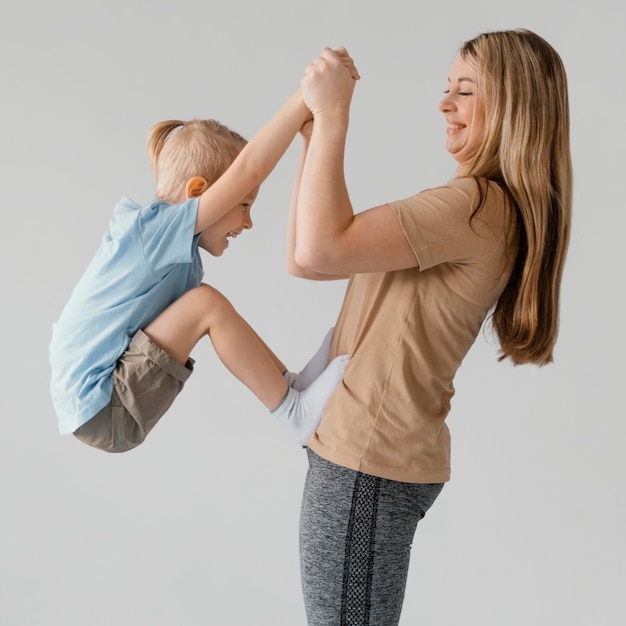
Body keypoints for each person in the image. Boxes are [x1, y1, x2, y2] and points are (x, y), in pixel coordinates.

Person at [289, 31, 572, 625]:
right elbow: (304, 257)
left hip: (366, 465)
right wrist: (315, 133)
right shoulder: (476, 208)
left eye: (464, 91)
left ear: (514, 108)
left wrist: (334, 113)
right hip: (359, 460)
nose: (445, 103)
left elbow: (317, 249)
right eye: (447, 89)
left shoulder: (476, 207)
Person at [49, 51, 359, 453]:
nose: (248, 223)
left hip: (103, 402)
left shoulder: (173, 252)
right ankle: (291, 412)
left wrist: (311, 134)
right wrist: (307, 96)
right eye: (243, 205)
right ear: (198, 193)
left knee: (210, 305)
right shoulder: (154, 230)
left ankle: (289, 387)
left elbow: (297, 240)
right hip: (103, 406)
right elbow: (250, 168)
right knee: (207, 304)